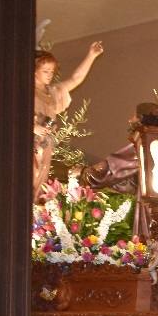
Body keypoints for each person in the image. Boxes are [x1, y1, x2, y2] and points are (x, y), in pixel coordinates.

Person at [34, 43, 104, 199]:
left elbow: (75, 79)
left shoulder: (52, 92)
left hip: (46, 144)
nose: (49, 75)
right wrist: (34, 127)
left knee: (41, 179)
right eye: (45, 71)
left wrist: (91, 55)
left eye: (52, 71)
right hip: (31, 144)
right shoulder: (26, 90)